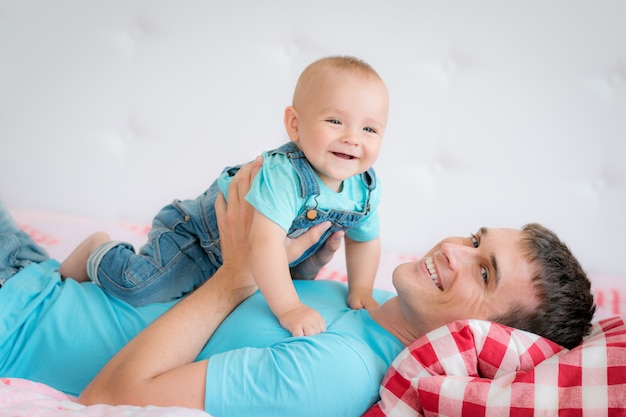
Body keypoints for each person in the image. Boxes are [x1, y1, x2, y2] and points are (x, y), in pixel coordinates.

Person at [0, 162, 595, 416]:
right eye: (473, 237)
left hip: (13, 319)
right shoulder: (365, 306)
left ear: (486, 339)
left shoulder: (336, 372)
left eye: (483, 271)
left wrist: (236, 276)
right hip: (37, 273)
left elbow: (111, 398)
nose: (454, 250)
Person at [58, 55, 389, 336]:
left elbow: (364, 239)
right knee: (140, 289)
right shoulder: (284, 175)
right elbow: (264, 244)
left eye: (369, 129)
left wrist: (360, 289)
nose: (352, 138)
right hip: (198, 238)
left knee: (270, 292)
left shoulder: (364, 189)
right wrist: (289, 309)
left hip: (264, 259)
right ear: (294, 125)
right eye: (335, 121)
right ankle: (98, 249)